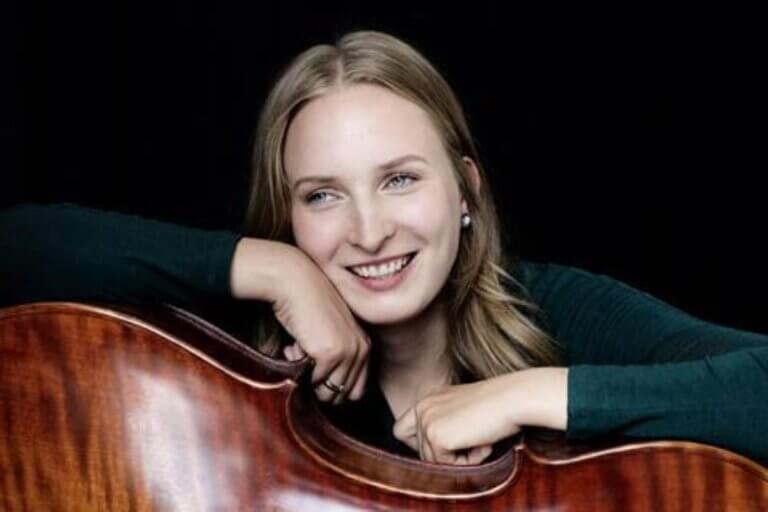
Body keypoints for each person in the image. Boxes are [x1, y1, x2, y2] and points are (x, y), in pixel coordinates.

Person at [2, 31, 767, 466]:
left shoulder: (553, 309)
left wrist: (520, 396)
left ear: (465, 190)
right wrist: (268, 267)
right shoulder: (233, 349)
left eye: (400, 180)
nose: (368, 232)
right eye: (322, 196)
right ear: (287, 216)